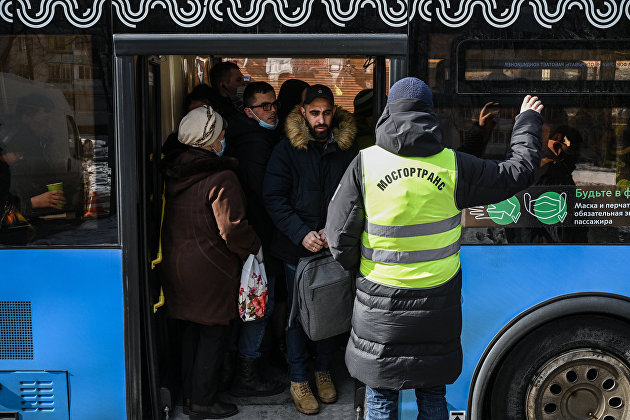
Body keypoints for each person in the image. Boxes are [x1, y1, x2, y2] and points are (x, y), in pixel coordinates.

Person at [325, 77, 543, 420]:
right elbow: (519, 171)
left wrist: (364, 267)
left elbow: (337, 238)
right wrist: (527, 120)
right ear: (430, 113)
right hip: (437, 303)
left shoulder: (365, 165)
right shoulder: (454, 165)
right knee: (432, 395)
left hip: (380, 302)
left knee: (380, 398)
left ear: (387, 112)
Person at [160, 105, 261, 419]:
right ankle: (204, 403)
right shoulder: (221, 176)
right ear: (209, 140)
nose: (224, 139)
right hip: (211, 268)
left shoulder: (175, 169)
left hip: (177, 265)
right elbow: (232, 229)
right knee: (213, 335)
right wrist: (255, 247)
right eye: (220, 134)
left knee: (191, 332)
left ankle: (190, 396)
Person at [263, 84, 358, 415]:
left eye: (326, 112)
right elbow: (274, 197)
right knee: (297, 317)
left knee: (330, 312)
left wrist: (336, 233)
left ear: (335, 111)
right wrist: (301, 233)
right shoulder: (287, 148)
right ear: (302, 112)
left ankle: (323, 371)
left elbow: (357, 198)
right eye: (314, 112)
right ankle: (299, 378)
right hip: (296, 251)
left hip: (333, 249)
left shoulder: (347, 148)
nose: (321, 119)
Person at [224, 81, 285, 397]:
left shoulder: (257, 136)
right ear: (248, 111)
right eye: (264, 106)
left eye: (273, 104)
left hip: (259, 239)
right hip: (258, 241)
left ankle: (252, 366)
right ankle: (247, 374)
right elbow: (266, 195)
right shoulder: (254, 143)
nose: (272, 111)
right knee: (259, 307)